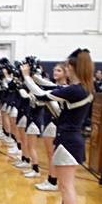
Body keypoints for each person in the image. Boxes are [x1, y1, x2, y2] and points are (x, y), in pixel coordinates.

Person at [22, 49, 95, 204]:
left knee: (67, 186)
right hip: (69, 139)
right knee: (65, 186)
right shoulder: (82, 89)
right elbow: (51, 90)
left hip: (69, 141)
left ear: (72, 68)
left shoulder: (76, 90)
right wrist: (35, 77)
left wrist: (27, 77)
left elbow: (42, 95)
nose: (65, 70)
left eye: (67, 67)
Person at [35, 62, 67, 192]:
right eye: (54, 70)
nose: (55, 72)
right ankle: (51, 178)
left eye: (59, 71)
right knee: (49, 154)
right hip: (48, 121)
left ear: (66, 73)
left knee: (52, 154)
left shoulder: (63, 88)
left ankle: (52, 180)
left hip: (54, 123)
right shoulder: (54, 86)